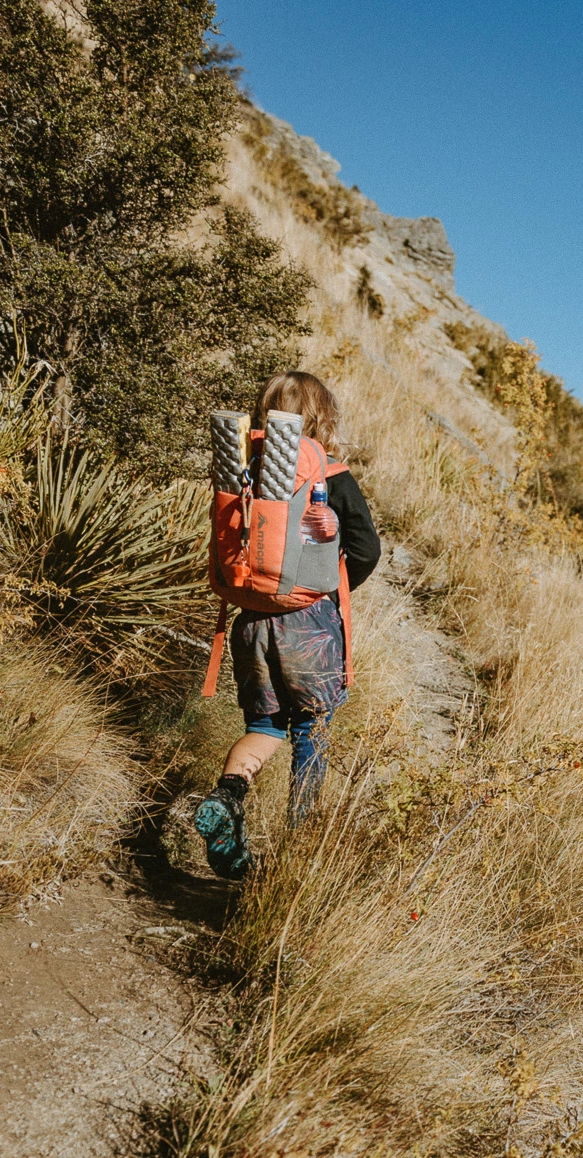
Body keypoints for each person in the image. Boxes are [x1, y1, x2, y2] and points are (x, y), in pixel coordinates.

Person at [194, 371, 379, 879]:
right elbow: (366, 551)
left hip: (250, 620)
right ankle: (298, 850)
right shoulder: (331, 475)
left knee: (264, 726)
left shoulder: (246, 470)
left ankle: (227, 800)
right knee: (311, 729)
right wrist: (322, 589)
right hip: (307, 623)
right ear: (324, 417)